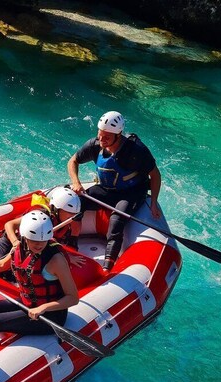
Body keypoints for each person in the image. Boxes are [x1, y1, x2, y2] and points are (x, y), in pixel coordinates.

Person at [67, 110, 162, 271]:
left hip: (130, 193)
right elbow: (73, 161)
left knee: (116, 221)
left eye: (107, 137)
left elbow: (155, 175)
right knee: (76, 205)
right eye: (100, 135)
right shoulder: (94, 145)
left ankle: (107, 268)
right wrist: (76, 182)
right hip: (106, 190)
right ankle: (71, 246)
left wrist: (153, 202)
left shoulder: (136, 151)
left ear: (118, 136)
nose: (102, 140)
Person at [0, 211, 79, 334]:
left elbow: (73, 298)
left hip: (50, 316)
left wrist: (43, 308)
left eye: (43, 241)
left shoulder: (56, 260)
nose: (39, 244)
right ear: (25, 237)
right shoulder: (20, 248)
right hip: (28, 302)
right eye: (34, 240)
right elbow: (3, 264)